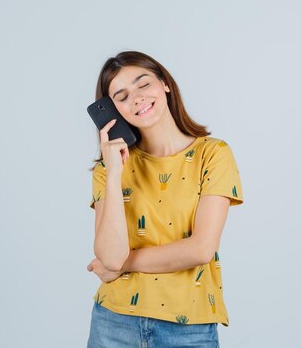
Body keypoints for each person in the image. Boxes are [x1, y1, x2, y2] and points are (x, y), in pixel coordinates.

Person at [86, 51, 244, 348]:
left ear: (165, 84)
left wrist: (122, 264)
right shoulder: (108, 169)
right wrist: (115, 172)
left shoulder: (213, 154)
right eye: (121, 96)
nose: (136, 98)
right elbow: (108, 254)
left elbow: (200, 249)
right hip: (113, 322)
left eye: (143, 84)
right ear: (113, 110)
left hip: (187, 326)